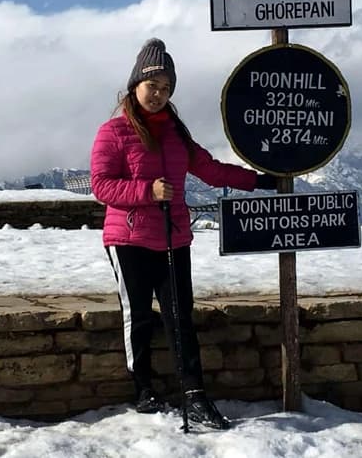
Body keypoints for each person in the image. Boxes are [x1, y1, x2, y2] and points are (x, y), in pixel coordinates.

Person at [90, 37, 276, 430]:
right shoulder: (114, 132)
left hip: (174, 238)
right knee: (138, 316)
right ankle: (142, 389)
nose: (157, 94)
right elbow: (101, 186)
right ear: (135, 85)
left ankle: (195, 396)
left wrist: (260, 181)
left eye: (165, 88)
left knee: (180, 318)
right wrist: (147, 191)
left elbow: (211, 170)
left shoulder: (175, 133)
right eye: (151, 85)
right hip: (128, 239)